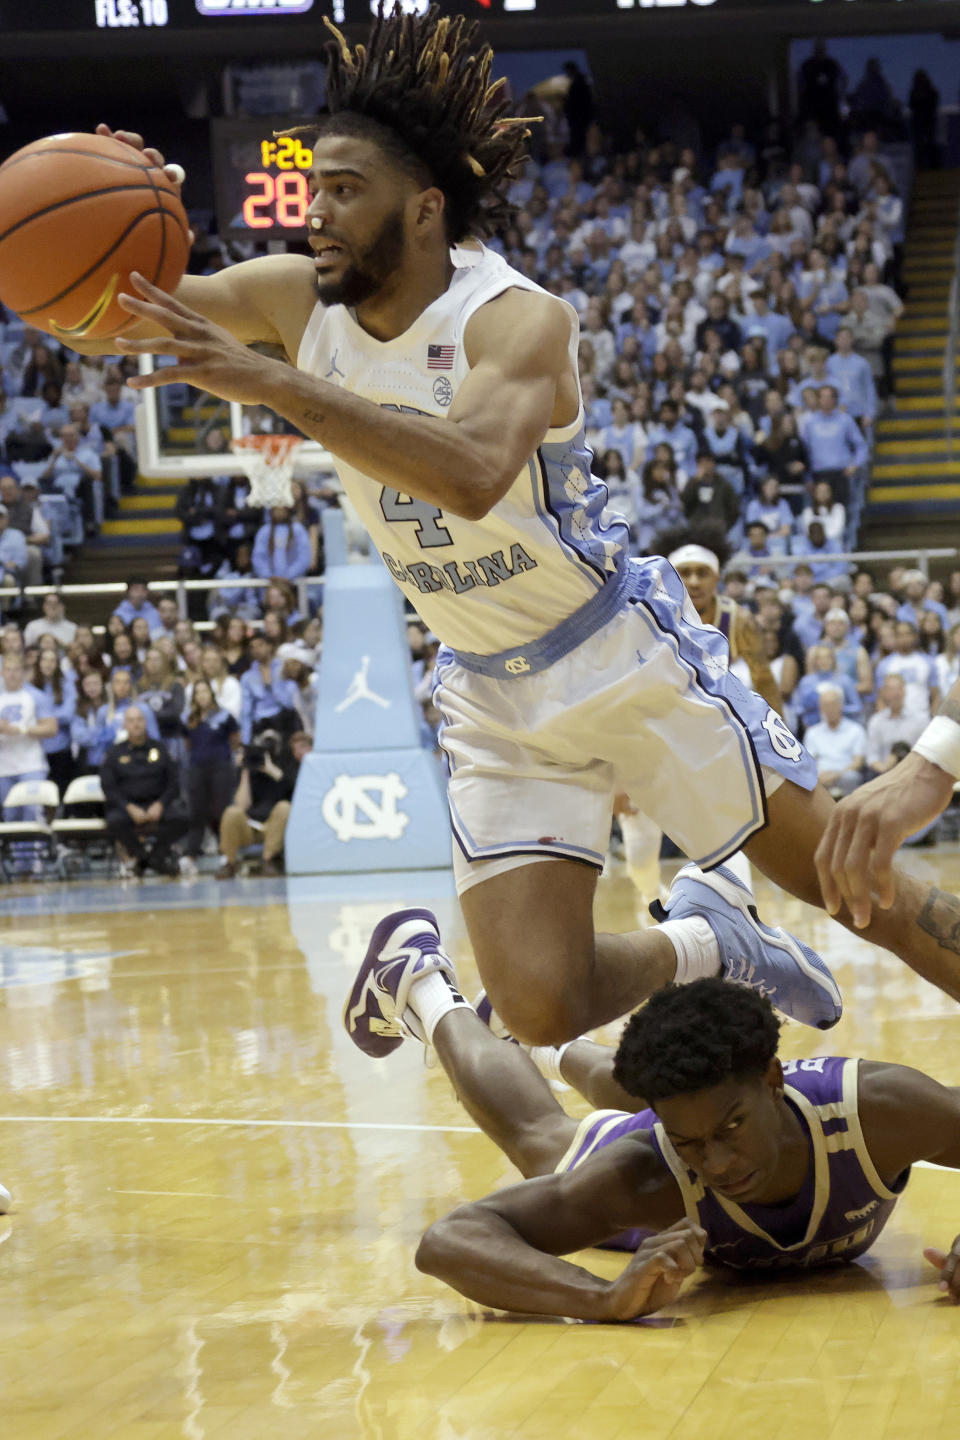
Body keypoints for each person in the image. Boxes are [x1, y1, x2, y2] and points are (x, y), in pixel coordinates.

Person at [72, 9, 960, 1045]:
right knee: (540, 1007)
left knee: (861, 890)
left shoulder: (515, 317)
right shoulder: (291, 300)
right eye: (314, 189)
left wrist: (271, 382)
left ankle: (754, 913)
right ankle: (711, 941)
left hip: (619, 655)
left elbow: (474, 474)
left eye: (345, 192)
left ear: (425, 211)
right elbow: (110, 317)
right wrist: (105, 222)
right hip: (489, 687)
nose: (316, 214)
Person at [346, 961, 960, 1319]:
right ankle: (423, 982)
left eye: (732, 1130)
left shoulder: (882, 1112)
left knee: (638, 1099)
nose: (717, 1164)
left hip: (708, 1112)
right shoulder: (652, 1171)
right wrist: (603, 1298)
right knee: (543, 1139)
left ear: (772, 1079)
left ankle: (550, 1043)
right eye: (691, 1142)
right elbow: (448, 1242)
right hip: (640, 1144)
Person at [661, 524, 781, 712]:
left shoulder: (739, 619)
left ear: (717, 578)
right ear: (670, 578)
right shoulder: (656, 616)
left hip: (726, 716)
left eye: (702, 573)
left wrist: (777, 732)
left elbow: (763, 679)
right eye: (685, 573)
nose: (694, 582)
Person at [100, 705, 188, 876]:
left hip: (156, 803)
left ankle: (154, 857)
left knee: (182, 817)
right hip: (127, 807)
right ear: (125, 725)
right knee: (113, 821)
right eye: (131, 721)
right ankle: (146, 858)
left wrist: (160, 804)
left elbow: (173, 783)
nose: (136, 724)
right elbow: (109, 787)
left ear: (146, 723)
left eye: (139, 720)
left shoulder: (160, 749)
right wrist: (129, 807)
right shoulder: (114, 753)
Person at [215, 726, 302, 879]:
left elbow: (296, 793)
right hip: (250, 827)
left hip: (274, 827)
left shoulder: (287, 765)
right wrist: (245, 771)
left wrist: (271, 770)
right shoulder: (249, 769)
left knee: (284, 807)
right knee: (232, 812)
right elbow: (242, 805)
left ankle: (267, 861)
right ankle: (229, 863)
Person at [180, 677, 240, 874]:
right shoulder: (189, 720)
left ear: (211, 694)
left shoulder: (224, 717)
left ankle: (227, 852)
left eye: (205, 691)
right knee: (197, 811)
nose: (202, 696)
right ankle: (191, 855)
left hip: (221, 768)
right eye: (198, 692)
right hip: (197, 768)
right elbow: (188, 745)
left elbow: (235, 741)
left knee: (220, 811)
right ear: (194, 697)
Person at [0, 651, 56, 817]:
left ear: (23, 672)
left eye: (17, 670)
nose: (12, 674)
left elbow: (52, 728)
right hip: (3, 767)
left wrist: (21, 730)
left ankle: (35, 844)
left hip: (31, 764)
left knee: (32, 812)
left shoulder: (36, 696)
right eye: (8, 669)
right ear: (2, 672)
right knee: (10, 816)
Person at [803, 686, 866, 799]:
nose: (829, 709)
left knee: (851, 778)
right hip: (821, 776)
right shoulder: (812, 732)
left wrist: (836, 775)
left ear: (841, 705)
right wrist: (819, 776)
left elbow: (858, 762)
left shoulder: (856, 730)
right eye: (825, 705)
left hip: (845, 774)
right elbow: (809, 762)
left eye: (832, 704)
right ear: (820, 708)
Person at [865, 673, 925, 776]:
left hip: (913, 773)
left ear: (904, 691)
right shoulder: (876, 721)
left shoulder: (920, 720)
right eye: (891, 689)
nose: (896, 693)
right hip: (884, 773)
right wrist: (884, 768)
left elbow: (924, 752)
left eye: (899, 688)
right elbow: (872, 756)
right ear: (884, 693)